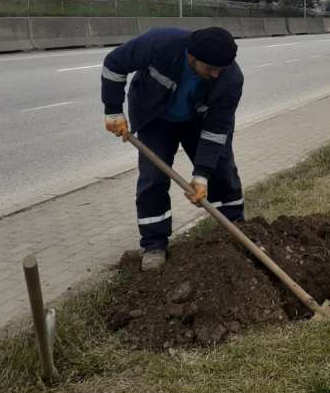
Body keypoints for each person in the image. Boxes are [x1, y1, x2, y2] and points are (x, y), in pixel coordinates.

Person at [101, 26, 244, 271]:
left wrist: (201, 176)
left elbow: (218, 129)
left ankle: (237, 229)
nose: (217, 74)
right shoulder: (161, 44)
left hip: (198, 122)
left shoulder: (230, 77)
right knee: (153, 178)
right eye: (211, 68)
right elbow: (114, 63)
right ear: (192, 56)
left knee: (222, 170)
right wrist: (113, 110)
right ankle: (154, 244)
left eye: (222, 68)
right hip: (155, 118)